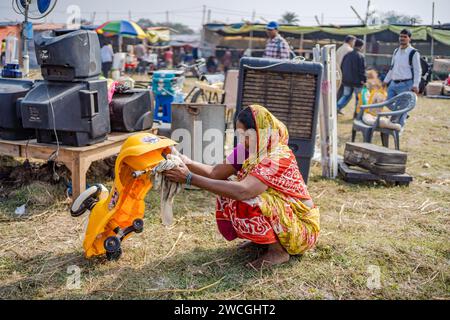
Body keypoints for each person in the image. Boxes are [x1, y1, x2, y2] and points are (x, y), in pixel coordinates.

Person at [164, 105, 320, 268]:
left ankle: (278, 252)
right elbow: (216, 173)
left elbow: (244, 191)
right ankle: (264, 242)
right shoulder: (249, 148)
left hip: (303, 229)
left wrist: (189, 178)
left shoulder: (277, 156)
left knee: (248, 200)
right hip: (285, 219)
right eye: (239, 135)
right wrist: (182, 159)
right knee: (226, 191)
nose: (243, 141)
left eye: (247, 135)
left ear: (261, 131)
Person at [383, 28, 422, 126]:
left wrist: (416, 84)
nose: (402, 38)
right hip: (393, 84)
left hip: (406, 85)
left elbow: (418, 70)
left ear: (410, 38)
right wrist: (385, 81)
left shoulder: (414, 52)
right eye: (401, 36)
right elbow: (392, 68)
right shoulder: (396, 51)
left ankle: (398, 130)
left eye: (405, 37)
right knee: (387, 102)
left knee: (402, 109)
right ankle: (403, 113)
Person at [337, 38, 367, 117]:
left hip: (346, 80)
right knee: (358, 98)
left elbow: (342, 66)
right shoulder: (360, 56)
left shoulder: (347, 54)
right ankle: (357, 114)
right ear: (361, 46)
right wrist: (364, 80)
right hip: (357, 82)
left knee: (346, 96)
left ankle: (337, 107)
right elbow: (362, 70)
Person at [336, 35, 356, 100]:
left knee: (339, 91)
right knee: (347, 94)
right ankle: (338, 106)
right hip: (346, 74)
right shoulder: (350, 50)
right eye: (353, 41)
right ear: (350, 41)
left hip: (337, 72)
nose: (354, 43)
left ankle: (336, 106)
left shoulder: (339, 49)